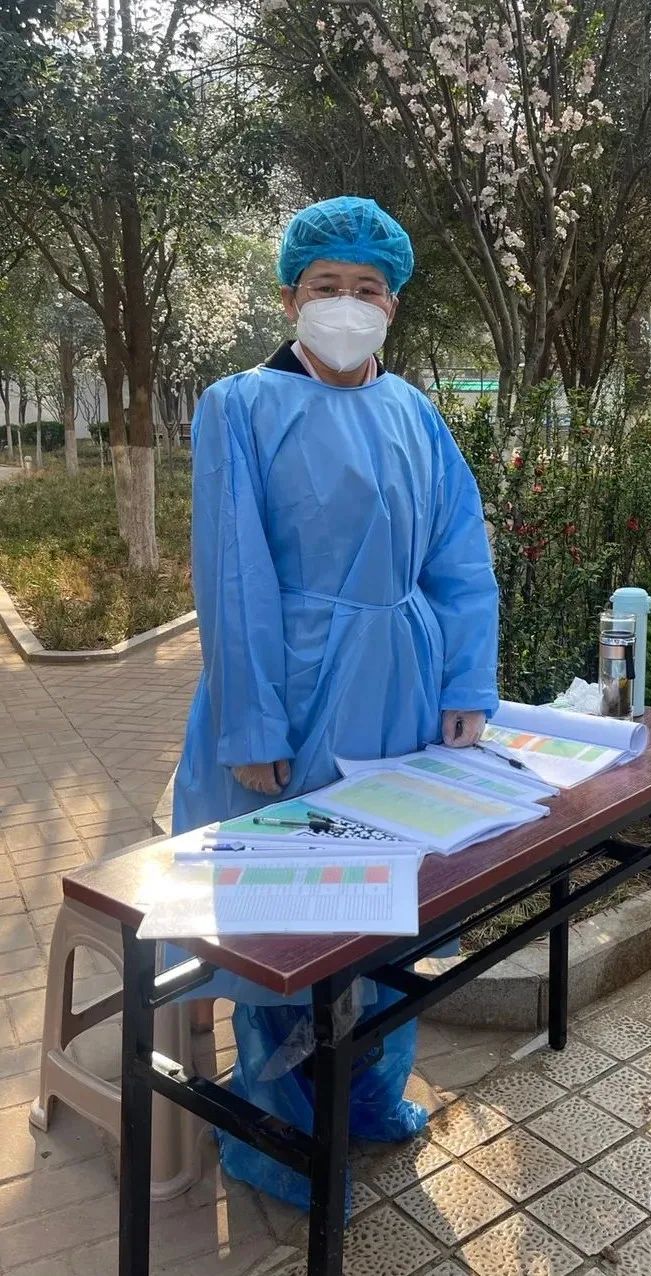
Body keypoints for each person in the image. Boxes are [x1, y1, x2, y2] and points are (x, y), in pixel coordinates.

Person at [170, 196, 500, 1209]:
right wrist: (252, 725)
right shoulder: (239, 406)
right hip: (294, 689)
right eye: (325, 286)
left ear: (392, 305)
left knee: (391, 902)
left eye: (368, 288)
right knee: (292, 914)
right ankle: (279, 1140)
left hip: (403, 687)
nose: (346, 304)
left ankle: (368, 1096)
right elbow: (233, 577)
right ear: (288, 298)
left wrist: (464, 683)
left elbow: (458, 552)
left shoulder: (413, 412)